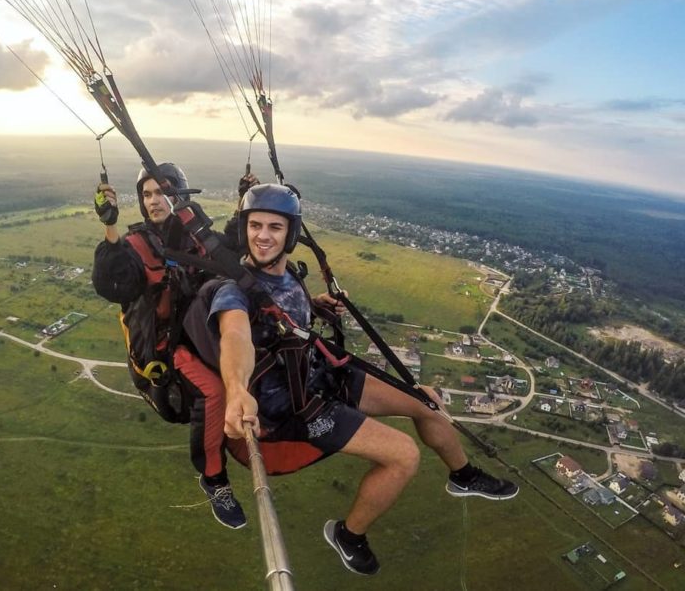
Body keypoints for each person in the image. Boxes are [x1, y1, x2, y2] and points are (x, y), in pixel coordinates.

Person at [185, 183, 518, 575]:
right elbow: (236, 336)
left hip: (321, 375)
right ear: (243, 230)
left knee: (426, 399)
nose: (262, 236)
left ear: (291, 234)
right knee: (404, 455)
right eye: (255, 225)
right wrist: (237, 389)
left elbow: (281, 313)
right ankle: (349, 534)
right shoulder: (232, 292)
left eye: (274, 227)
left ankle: (462, 475)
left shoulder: (287, 274)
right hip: (295, 406)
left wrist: (315, 305)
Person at [91, 163, 248, 529]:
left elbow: (231, 251)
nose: (153, 201)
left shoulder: (195, 233)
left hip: (204, 333)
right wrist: (110, 226)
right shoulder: (134, 245)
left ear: (177, 194)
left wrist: (244, 202)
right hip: (168, 348)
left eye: (161, 192)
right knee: (215, 392)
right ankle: (214, 479)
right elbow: (113, 284)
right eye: (146, 195)